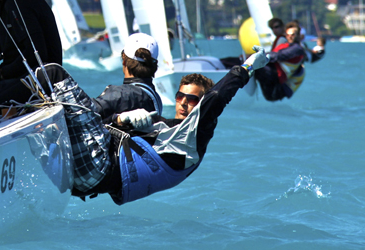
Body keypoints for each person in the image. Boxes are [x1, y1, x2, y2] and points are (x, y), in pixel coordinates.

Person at [37, 46, 269, 204]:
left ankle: (4, 103)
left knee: (52, 74)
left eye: (192, 100)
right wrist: (120, 119)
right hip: (83, 181)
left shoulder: (193, 139)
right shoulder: (167, 131)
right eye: (180, 96)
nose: (184, 104)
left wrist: (247, 67)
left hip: (97, 167)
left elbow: (216, 98)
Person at [93, 33, 163, 123]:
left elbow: (84, 112)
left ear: (124, 60)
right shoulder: (155, 98)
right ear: (154, 65)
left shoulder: (120, 94)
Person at [253, 22, 306, 101]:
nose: (290, 37)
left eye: (293, 35)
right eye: (288, 35)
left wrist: (256, 57)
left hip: (275, 86)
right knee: (239, 61)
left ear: (298, 36)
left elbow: (279, 55)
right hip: (271, 78)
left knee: (256, 65)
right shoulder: (284, 45)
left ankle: (242, 75)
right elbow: (273, 54)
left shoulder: (297, 49)